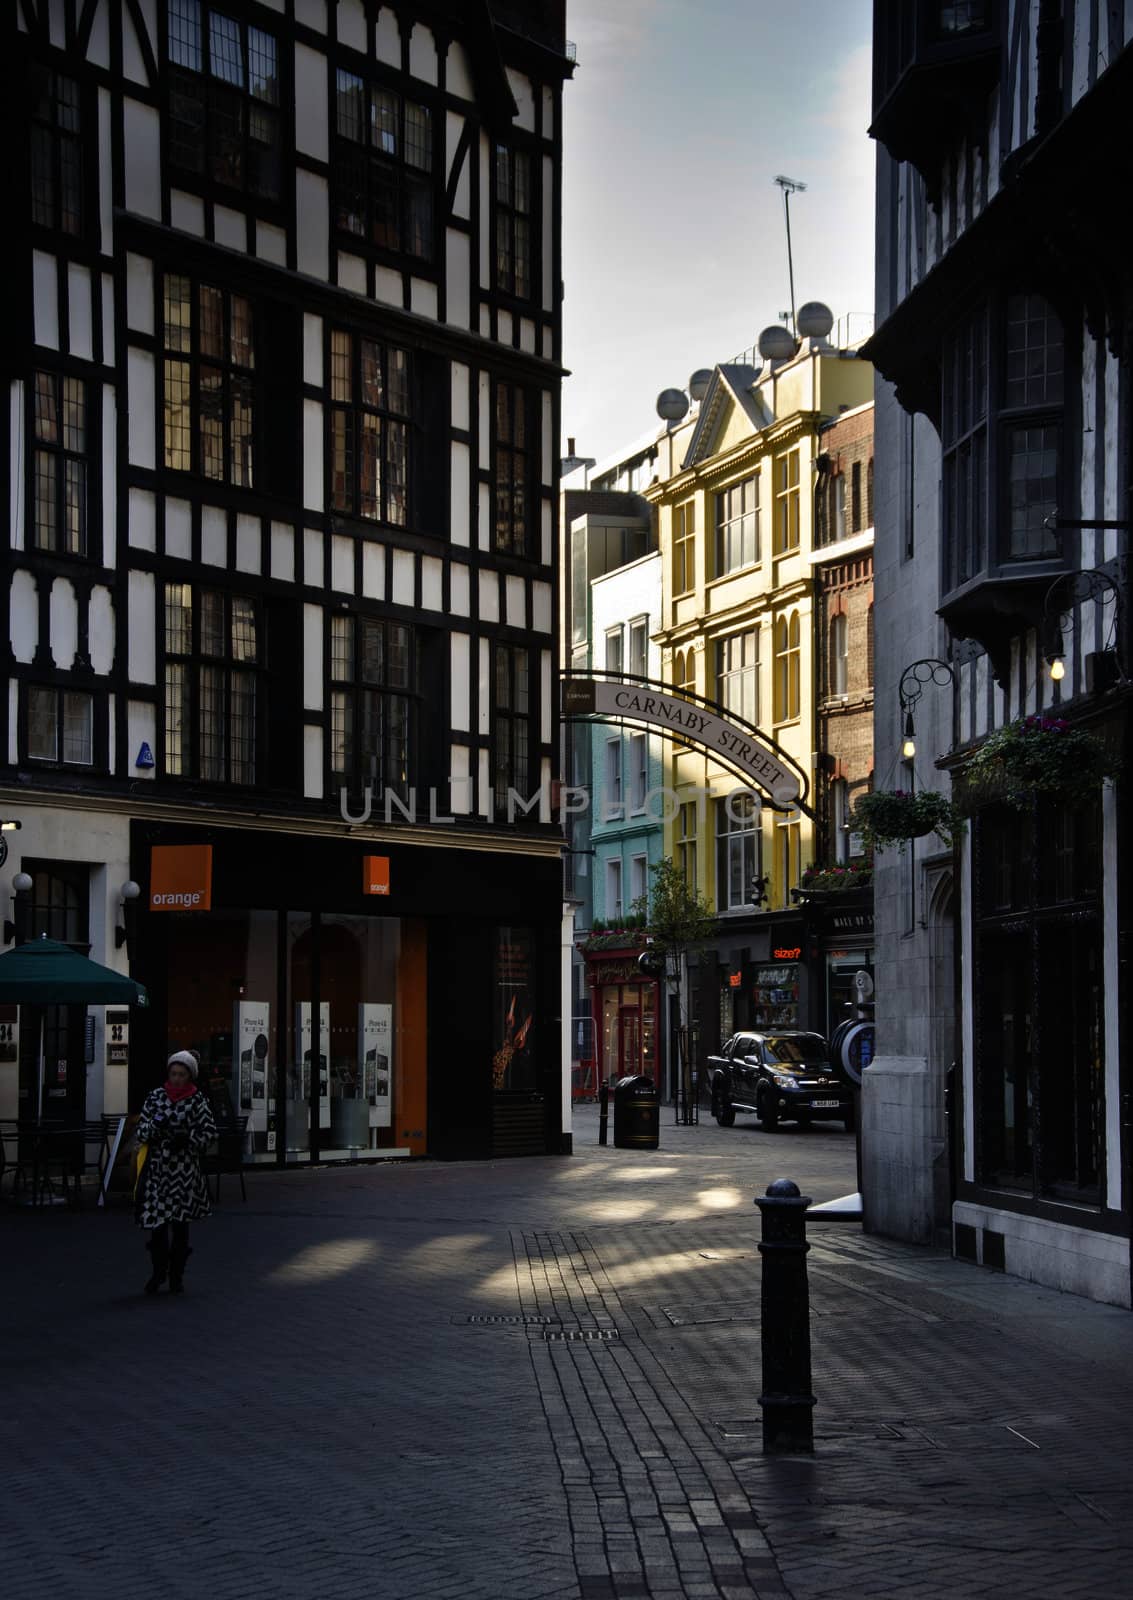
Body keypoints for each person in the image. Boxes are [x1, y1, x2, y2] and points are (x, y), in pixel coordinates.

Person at [135, 1050, 217, 1295]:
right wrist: (154, 1128)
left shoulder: (197, 1100)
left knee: (180, 1227)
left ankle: (176, 1275)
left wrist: (188, 1139)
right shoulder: (155, 1097)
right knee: (157, 1226)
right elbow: (141, 1131)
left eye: (182, 1074)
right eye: (174, 1073)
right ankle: (158, 1271)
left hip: (183, 1173)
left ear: (190, 1076)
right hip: (158, 1172)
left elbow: (210, 1133)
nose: (177, 1078)